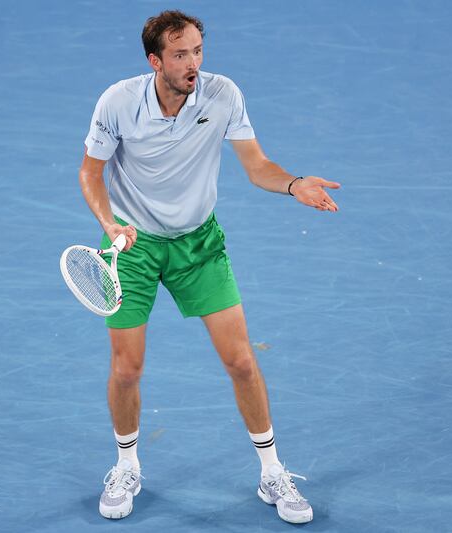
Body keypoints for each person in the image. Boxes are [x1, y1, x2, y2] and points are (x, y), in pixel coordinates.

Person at [79, 9, 339, 524]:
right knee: (127, 369)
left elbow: (257, 165)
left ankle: (272, 472)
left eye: (198, 50)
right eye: (180, 54)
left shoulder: (222, 96)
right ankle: (126, 465)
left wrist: (293, 185)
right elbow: (91, 172)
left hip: (199, 244)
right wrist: (110, 225)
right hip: (133, 245)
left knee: (241, 361)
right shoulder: (118, 102)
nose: (193, 62)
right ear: (155, 60)